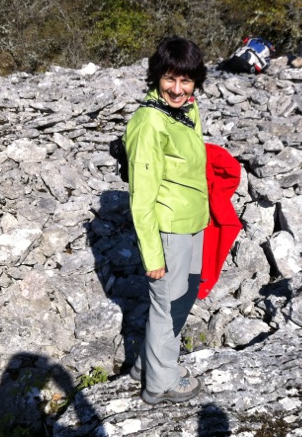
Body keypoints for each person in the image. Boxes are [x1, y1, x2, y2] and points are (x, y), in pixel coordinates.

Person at [123, 36, 209, 404]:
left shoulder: (189, 110)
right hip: (169, 229)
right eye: (170, 79)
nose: (177, 89)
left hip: (194, 222)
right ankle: (160, 384)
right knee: (166, 305)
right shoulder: (149, 122)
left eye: (186, 81)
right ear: (157, 76)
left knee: (182, 298)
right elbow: (140, 196)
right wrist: (153, 256)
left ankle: (147, 365)